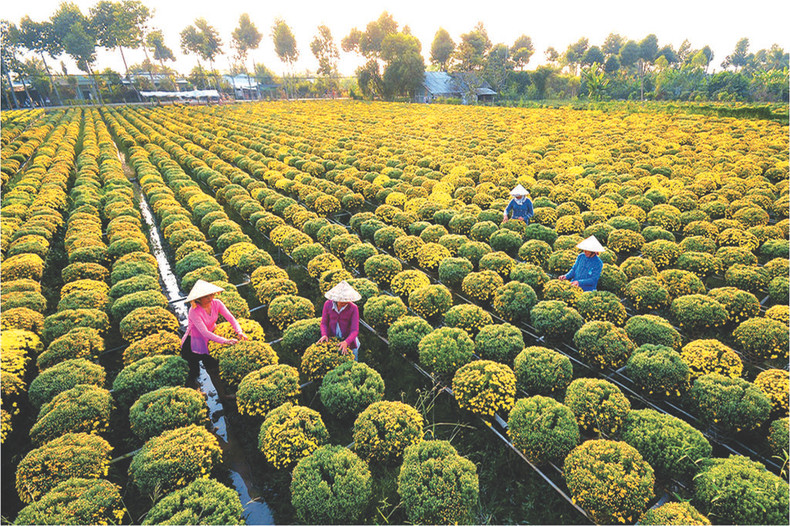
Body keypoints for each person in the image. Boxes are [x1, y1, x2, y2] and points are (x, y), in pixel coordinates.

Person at [181, 279, 247, 373]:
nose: (210, 298)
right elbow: (204, 332)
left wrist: (239, 331)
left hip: (210, 338)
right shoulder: (194, 311)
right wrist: (225, 341)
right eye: (206, 296)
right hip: (193, 342)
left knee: (213, 369)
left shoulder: (217, 303)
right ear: (198, 298)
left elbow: (231, 318)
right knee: (193, 371)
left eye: (211, 294)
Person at [318, 280, 361, 360]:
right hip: (333, 340)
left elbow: (354, 330)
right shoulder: (327, 304)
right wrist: (324, 334)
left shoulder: (353, 308)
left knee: (352, 364)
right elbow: (324, 323)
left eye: (346, 300)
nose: (344, 302)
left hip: (350, 342)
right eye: (342, 300)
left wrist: (346, 342)